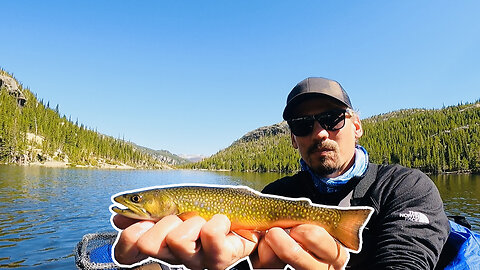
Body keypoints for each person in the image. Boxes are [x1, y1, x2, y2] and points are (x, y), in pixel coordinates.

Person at [112, 77, 450, 269]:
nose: (319, 133)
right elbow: (246, 248)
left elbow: (408, 263)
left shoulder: (407, 187)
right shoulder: (277, 192)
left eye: (332, 119)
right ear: (292, 139)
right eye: (303, 125)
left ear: (357, 126)